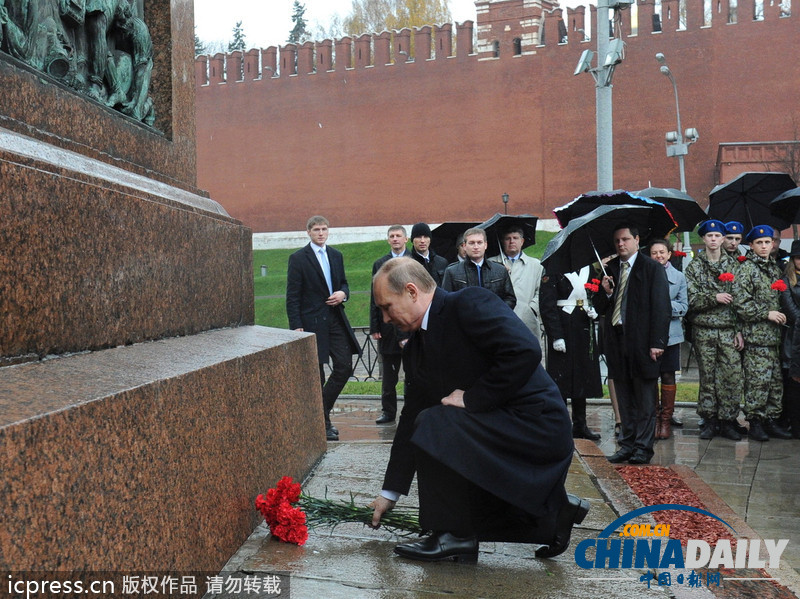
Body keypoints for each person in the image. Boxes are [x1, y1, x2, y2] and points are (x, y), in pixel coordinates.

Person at [369, 258, 588, 563]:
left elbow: (525, 351)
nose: (385, 318)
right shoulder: (418, 346)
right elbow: (409, 422)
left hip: (536, 426)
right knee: (429, 422)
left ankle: (452, 534)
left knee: (436, 422)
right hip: (499, 425)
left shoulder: (469, 302)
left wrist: (472, 399)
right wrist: (390, 492)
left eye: (387, 306)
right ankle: (552, 515)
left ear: (411, 291)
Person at [595, 224, 669, 465]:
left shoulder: (651, 268)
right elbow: (598, 308)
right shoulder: (611, 270)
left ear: (637, 240)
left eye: (625, 239)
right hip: (617, 341)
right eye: (617, 240)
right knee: (624, 396)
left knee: (645, 398)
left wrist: (657, 342)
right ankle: (626, 444)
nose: (620, 244)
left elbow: (661, 307)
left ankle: (642, 448)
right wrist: (605, 292)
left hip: (643, 341)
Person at [286, 216, 360, 442]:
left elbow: (344, 283)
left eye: (324, 229)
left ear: (328, 231)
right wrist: (296, 326)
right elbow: (292, 295)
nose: (321, 233)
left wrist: (343, 294)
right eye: (316, 229)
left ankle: (319, 413)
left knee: (344, 366)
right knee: (316, 376)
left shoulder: (336, 255)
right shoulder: (298, 258)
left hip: (336, 318)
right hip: (311, 324)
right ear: (308, 232)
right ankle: (324, 424)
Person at [684, 220, 745, 440]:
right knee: (707, 376)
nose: (713, 239)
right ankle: (709, 420)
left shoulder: (734, 266)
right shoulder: (694, 267)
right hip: (704, 330)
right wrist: (714, 297)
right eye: (709, 236)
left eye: (717, 236)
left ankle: (728, 420)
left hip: (729, 330)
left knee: (730, 375)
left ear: (722, 239)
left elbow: (740, 300)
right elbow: (691, 299)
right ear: (703, 238)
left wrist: (739, 330)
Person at [734, 225, 792, 441]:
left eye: (768, 242)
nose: (765, 246)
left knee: (774, 382)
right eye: (760, 243)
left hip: (774, 337)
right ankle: (756, 421)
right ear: (751, 245)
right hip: (756, 336)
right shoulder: (747, 270)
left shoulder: (775, 269)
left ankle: (770, 420)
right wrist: (766, 313)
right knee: (757, 381)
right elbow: (741, 304)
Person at [539, 265, 602, 440]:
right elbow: (547, 305)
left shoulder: (590, 270)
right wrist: (556, 336)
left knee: (582, 375)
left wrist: (594, 308)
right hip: (564, 328)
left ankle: (580, 425)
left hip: (583, 328)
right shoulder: (553, 270)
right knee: (562, 379)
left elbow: (597, 296)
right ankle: (560, 424)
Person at [369, 225, 411, 425]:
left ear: (406, 239)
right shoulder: (380, 263)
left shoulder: (414, 261)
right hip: (387, 328)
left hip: (410, 326)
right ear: (388, 240)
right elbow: (374, 297)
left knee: (413, 373)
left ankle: (412, 409)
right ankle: (388, 412)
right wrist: (374, 326)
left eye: (398, 236)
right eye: (391, 236)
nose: (395, 239)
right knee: (388, 376)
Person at [648, 239, 688, 439]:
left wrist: (663, 306)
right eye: (654, 253)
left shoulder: (678, 277)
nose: (659, 256)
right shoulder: (645, 274)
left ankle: (666, 420)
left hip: (671, 334)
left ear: (669, 254)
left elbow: (683, 305)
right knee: (652, 375)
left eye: (662, 252)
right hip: (650, 334)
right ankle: (654, 419)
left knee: (668, 375)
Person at [489, 226, 544, 344]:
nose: (512, 241)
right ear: (502, 241)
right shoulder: (491, 263)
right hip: (500, 318)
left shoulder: (536, 265)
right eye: (507, 238)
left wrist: (531, 310)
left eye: (515, 238)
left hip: (527, 319)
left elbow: (541, 291)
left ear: (522, 241)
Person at [441, 228, 516, 309]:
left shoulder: (500, 270)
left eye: (479, 242)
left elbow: (510, 299)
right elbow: (445, 301)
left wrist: (496, 311)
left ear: (485, 245)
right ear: (464, 246)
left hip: (494, 319)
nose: (476, 247)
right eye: (471, 243)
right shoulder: (452, 271)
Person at [779, 240, 800, 438]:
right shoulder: (786, 281)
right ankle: (794, 424)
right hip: (793, 338)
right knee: (793, 381)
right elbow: (790, 310)